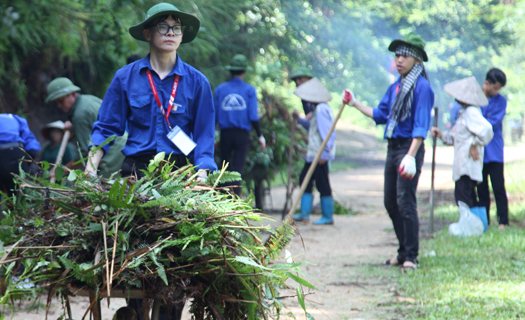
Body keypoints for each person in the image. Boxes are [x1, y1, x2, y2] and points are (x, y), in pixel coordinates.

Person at [84, 3, 217, 318]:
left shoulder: (197, 82)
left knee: (176, 261)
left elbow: (205, 138)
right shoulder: (126, 78)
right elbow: (105, 128)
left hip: (180, 177)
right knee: (137, 258)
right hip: (136, 176)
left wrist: (201, 176)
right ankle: (135, 310)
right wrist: (90, 170)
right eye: (163, 27)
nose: (171, 32)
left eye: (177, 28)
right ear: (147, 33)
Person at [343, 32, 434, 271]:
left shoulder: (423, 88)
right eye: (397, 55)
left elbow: (421, 126)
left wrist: (411, 156)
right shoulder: (395, 86)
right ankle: (403, 251)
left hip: (408, 149)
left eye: (405, 55)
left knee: (405, 201)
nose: (399, 60)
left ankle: (411, 256)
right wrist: (354, 103)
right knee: (390, 202)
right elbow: (380, 114)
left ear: (416, 59)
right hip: (392, 147)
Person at [431, 76, 494, 234]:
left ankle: (471, 229)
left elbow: (487, 130)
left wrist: (474, 143)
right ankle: (477, 227)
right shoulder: (464, 112)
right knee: (469, 196)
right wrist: (442, 135)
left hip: (468, 165)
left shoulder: (472, 112)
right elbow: (459, 137)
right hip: (463, 164)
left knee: (463, 198)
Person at [45, 78, 127, 178]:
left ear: (73, 94)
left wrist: (62, 170)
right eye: (56, 102)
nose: (59, 106)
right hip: (123, 144)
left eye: (61, 101)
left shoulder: (79, 116)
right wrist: (73, 126)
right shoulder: (87, 99)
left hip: (112, 154)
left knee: (108, 187)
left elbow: (84, 155)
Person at [214, 54, 265, 195]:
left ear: (231, 71)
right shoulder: (249, 90)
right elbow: (253, 116)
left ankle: (223, 200)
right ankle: (234, 203)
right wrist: (260, 135)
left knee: (225, 168)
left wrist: (212, 136)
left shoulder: (220, 89)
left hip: (225, 134)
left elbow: (214, 115)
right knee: (237, 170)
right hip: (242, 135)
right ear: (244, 71)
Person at [291, 78, 336, 225]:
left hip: (319, 153)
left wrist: (325, 153)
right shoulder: (319, 108)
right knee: (305, 178)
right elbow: (313, 126)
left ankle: (327, 216)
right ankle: (304, 213)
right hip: (314, 153)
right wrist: (299, 120)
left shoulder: (322, 109)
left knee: (322, 183)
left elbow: (327, 132)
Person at [476, 68, 509, 230]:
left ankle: (503, 221)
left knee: (498, 187)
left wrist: (478, 121)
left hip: (494, 151)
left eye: (499, 89)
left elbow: (491, 123)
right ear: (486, 83)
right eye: (495, 88)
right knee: (481, 188)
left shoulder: (501, 101)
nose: (496, 92)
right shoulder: (475, 99)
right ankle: (485, 221)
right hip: (479, 152)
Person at [0, 114, 41, 197]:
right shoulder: (15, 118)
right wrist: (28, 160)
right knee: (17, 192)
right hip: (15, 154)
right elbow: (31, 143)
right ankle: (17, 208)